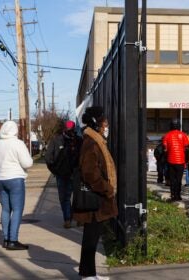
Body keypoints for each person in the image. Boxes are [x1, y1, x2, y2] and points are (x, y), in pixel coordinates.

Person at [73, 106, 117, 280]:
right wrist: (107, 188)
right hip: (95, 199)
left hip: (97, 198)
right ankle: (87, 274)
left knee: (92, 237)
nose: (106, 125)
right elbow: (90, 173)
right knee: (90, 239)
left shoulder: (95, 140)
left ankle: (89, 272)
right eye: (104, 122)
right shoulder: (91, 142)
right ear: (97, 124)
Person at [0, 121, 33, 250]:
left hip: (1, 179)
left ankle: (6, 239)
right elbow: (27, 163)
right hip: (16, 179)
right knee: (17, 209)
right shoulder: (18, 144)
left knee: (5, 209)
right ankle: (13, 240)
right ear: (15, 130)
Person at [45, 120, 82, 229]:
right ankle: (78, 218)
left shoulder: (56, 140)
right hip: (75, 173)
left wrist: (55, 170)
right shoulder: (79, 141)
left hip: (62, 174)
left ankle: (67, 219)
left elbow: (48, 158)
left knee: (64, 198)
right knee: (77, 196)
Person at [163, 119, 189, 201]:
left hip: (171, 160)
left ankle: (173, 194)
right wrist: (186, 160)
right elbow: (187, 148)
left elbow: (165, 149)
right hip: (181, 161)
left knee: (172, 179)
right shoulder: (183, 135)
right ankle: (178, 195)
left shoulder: (167, 135)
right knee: (179, 179)